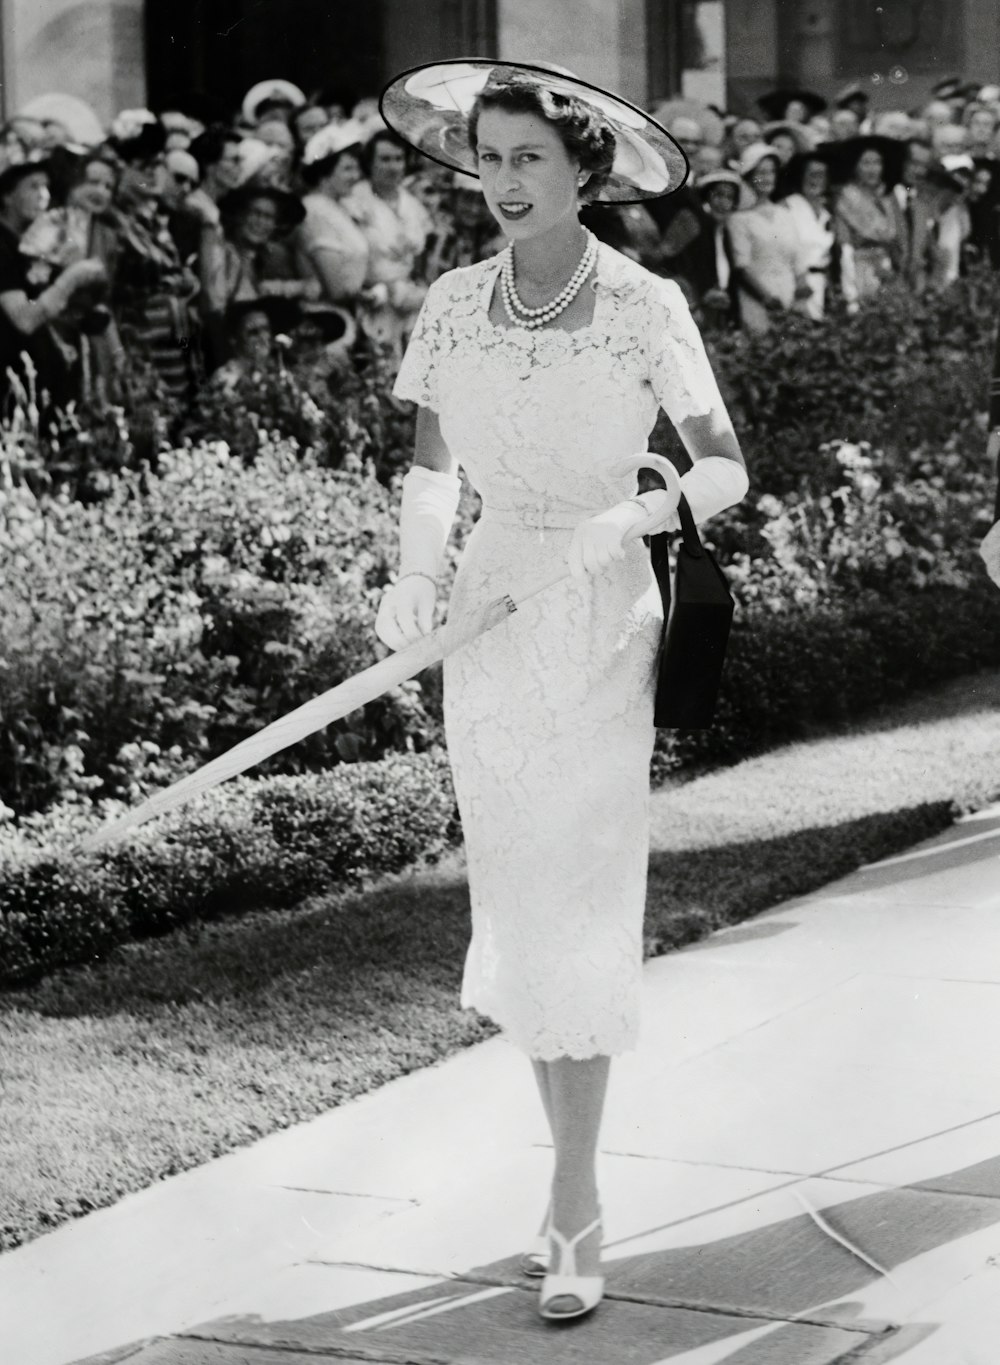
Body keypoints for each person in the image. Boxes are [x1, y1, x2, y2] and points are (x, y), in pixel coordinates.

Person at [375, 58, 747, 1323]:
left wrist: (634, 513)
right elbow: (431, 472)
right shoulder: (452, 302)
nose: (503, 181)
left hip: (596, 620)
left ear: (585, 173)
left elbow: (723, 470)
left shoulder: (645, 303)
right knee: (524, 905)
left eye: (529, 158)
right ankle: (562, 1187)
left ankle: (578, 1202)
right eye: (488, 158)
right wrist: (416, 575)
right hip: (489, 618)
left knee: (583, 900)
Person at [0, 136, 106, 407]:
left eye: (46, 186)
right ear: (7, 195)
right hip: (13, 377)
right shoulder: (2, 245)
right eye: (32, 187)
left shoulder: (28, 244)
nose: (42, 195)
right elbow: (24, 318)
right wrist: (71, 279)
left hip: (44, 373)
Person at [349, 129, 432, 359]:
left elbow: (421, 257)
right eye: (385, 159)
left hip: (412, 302)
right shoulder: (355, 201)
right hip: (372, 302)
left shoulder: (413, 204)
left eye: (398, 159)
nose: (393, 166)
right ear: (370, 163)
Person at [727, 142, 811, 334]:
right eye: (760, 173)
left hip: (789, 298)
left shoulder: (785, 213)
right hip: (758, 300)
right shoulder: (739, 218)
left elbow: (798, 260)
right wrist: (767, 299)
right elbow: (742, 267)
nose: (767, 178)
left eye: (771, 172)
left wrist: (801, 292)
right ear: (748, 177)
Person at [293, 120, 370, 312]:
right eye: (347, 169)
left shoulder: (338, 206)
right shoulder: (315, 211)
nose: (356, 176)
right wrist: (372, 295)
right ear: (324, 173)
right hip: (327, 315)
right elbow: (336, 290)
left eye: (356, 168)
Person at [830, 136, 905, 313]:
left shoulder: (888, 196)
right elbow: (844, 244)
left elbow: (898, 233)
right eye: (866, 163)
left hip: (888, 264)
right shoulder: (846, 197)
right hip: (860, 267)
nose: (872, 169)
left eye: (877, 163)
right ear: (855, 167)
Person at [777, 152, 835, 319]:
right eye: (810, 174)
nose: (814, 180)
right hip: (796, 284)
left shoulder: (827, 213)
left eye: (821, 175)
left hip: (822, 284)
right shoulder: (788, 206)